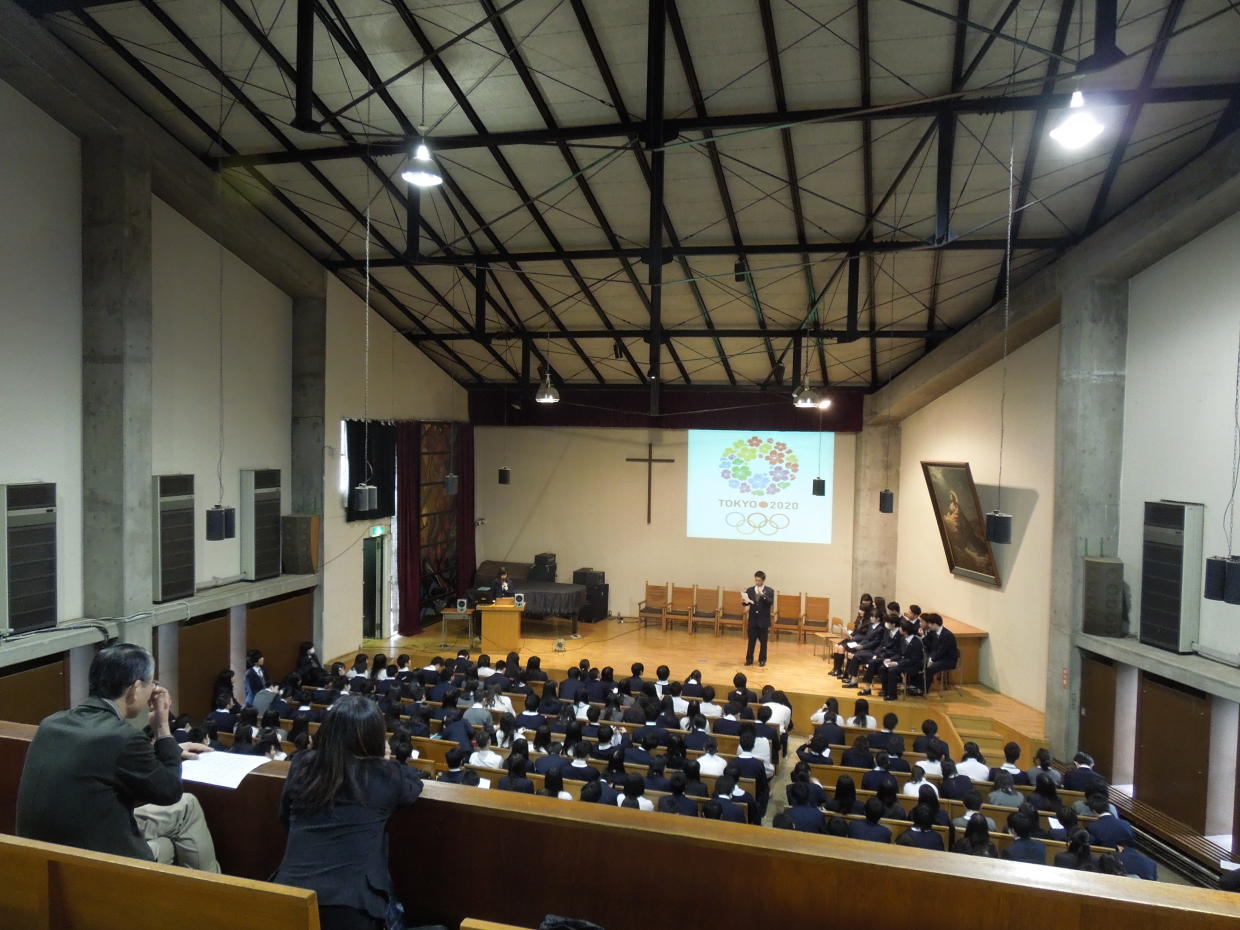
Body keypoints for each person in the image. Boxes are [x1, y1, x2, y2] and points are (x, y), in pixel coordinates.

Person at [16, 643, 218, 871]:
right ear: (135, 689)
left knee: (184, 809)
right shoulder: (122, 737)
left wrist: (170, 750)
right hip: (90, 865)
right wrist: (162, 728)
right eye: (152, 683)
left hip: (42, 853)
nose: (153, 690)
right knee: (176, 827)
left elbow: (103, 761)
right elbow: (170, 791)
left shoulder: (51, 724)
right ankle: (212, 888)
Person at [274, 695, 421, 929]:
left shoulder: (302, 763)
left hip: (288, 895)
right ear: (375, 737)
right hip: (350, 908)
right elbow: (413, 783)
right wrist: (383, 762)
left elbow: (285, 818)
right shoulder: (385, 775)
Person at [742, 570, 773, 667]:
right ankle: (749, 660)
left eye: (759, 581)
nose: (757, 582)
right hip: (753, 620)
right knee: (751, 641)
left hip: (763, 621)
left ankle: (762, 660)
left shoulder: (769, 591)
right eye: (756, 580)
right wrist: (744, 601)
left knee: (763, 643)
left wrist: (763, 595)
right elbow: (746, 603)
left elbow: (770, 602)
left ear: (763, 580)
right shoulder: (750, 590)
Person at [922, 613, 957, 692]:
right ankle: (917, 685)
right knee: (920, 663)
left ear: (935, 624)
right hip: (938, 657)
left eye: (930, 624)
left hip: (947, 660)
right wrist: (930, 658)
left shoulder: (947, 635)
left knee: (930, 668)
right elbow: (932, 647)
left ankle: (924, 689)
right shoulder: (933, 632)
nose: (928, 625)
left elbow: (942, 651)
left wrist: (931, 659)